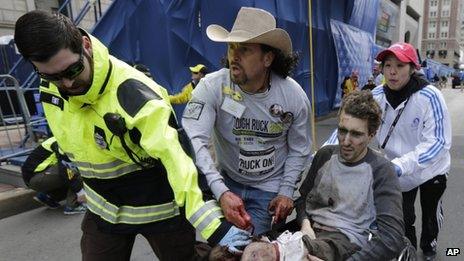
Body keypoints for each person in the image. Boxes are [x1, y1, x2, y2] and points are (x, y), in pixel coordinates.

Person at [14, 10, 250, 260]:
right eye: (52, 76)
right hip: (104, 208)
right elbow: (74, 133)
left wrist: (215, 226)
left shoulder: (133, 93)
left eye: (72, 71)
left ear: (86, 46)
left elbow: (177, 160)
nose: (67, 85)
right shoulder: (51, 87)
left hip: (159, 209)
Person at [182, 7, 312, 236]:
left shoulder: (294, 97)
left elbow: (300, 149)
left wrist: (285, 192)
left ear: (268, 58)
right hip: (225, 181)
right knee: (223, 250)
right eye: (232, 47)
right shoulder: (212, 87)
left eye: (244, 50)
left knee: (253, 251)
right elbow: (194, 140)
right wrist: (220, 191)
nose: (234, 56)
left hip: (269, 189)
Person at [239, 91, 405, 261]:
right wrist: (305, 224)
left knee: (268, 255)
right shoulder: (325, 156)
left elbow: (391, 237)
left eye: (356, 134)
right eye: (342, 131)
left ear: (371, 135)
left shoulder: (381, 170)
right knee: (246, 249)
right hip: (307, 231)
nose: (346, 141)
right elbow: (303, 199)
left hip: (344, 241)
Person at [373, 42, 451, 260]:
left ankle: (429, 246)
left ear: (413, 68)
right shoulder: (376, 96)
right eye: (387, 65)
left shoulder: (430, 96)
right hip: (397, 170)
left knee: (430, 215)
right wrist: (323, 153)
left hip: (431, 169)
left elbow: (438, 142)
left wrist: (401, 164)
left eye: (400, 65)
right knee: (403, 218)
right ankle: (408, 250)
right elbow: (350, 123)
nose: (392, 71)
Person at [21, 136, 86, 214]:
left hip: (32, 178)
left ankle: (49, 197)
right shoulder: (62, 143)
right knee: (76, 170)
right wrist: (80, 192)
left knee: (67, 173)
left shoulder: (58, 137)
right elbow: (66, 169)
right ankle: (73, 206)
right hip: (37, 178)